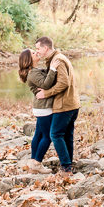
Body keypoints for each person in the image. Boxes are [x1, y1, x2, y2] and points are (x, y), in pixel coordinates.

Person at [35, 36, 80, 174]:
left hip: (64, 105)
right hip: (72, 103)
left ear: (45, 48)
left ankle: (66, 167)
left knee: (55, 134)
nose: (37, 52)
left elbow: (63, 83)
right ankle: (68, 164)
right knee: (66, 135)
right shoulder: (56, 58)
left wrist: (46, 93)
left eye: (38, 49)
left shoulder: (58, 60)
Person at [18, 48, 60, 174]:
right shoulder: (33, 73)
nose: (36, 53)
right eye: (33, 53)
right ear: (29, 60)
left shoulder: (34, 71)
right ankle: (37, 162)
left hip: (41, 108)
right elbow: (46, 85)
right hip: (44, 108)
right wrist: (52, 69)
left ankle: (33, 161)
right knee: (48, 137)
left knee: (38, 134)